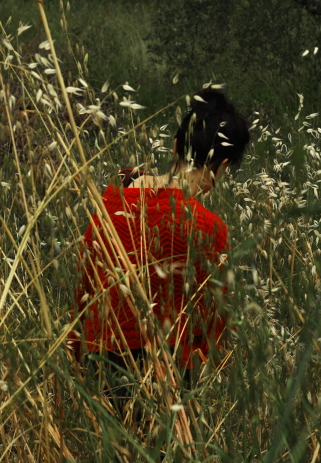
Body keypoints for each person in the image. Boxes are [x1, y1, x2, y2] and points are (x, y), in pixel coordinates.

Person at [72, 87, 250, 409]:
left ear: (175, 147)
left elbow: (86, 288)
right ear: (221, 166)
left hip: (97, 376)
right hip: (163, 386)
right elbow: (215, 325)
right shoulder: (208, 228)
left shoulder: (113, 198)